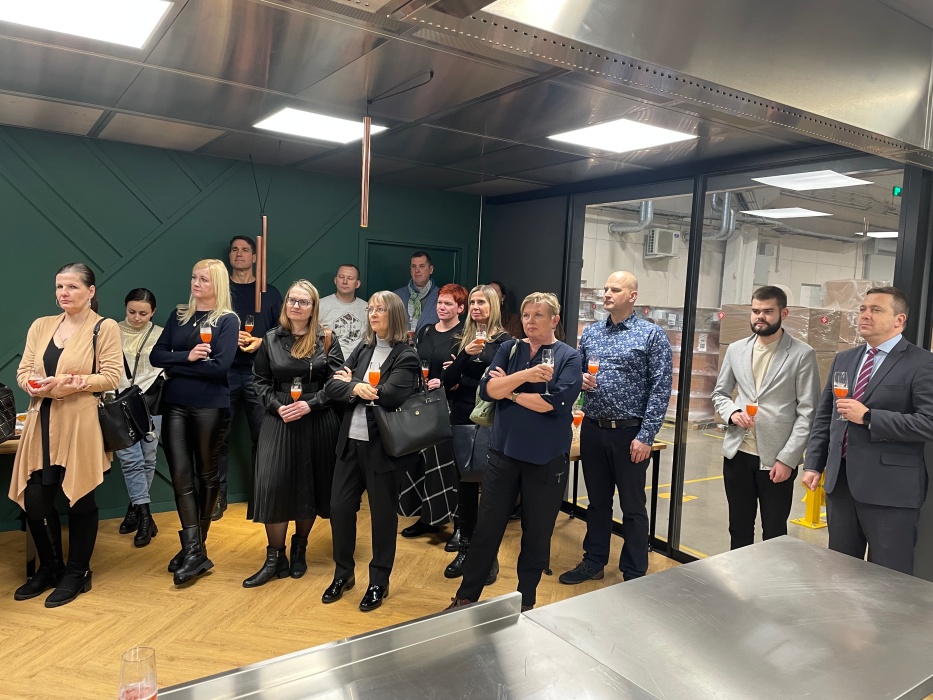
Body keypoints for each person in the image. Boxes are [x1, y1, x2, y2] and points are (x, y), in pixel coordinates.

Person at [448, 292, 582, 612]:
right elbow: (487, 390)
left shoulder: (569, 357)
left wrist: (509, 391)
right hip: (503, 455)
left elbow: (552, 404)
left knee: (536, 536)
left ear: (554, 320)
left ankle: (526, 603)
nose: (530, 321)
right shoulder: (509, 349)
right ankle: (466, 597)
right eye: (525, 315)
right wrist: (525, 377)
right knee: (486, 530)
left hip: (545, 461)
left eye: (538, 315)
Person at [10, 263, 121, 607]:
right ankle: (50, 567)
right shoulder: (41, 325)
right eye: (59, 286)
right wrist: (33, 385)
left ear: (90, 291)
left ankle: (77, 572)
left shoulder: (104, 327)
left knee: (80, 498)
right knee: (36, 500)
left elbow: (111, 377)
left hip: (80, 423)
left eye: (72, 286)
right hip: (41, 422)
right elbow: (23, 371)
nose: (63, 293)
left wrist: (72, 383)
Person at [803, 286, 933, 575]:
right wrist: (813, 463)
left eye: (876, 310)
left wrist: (870, 417)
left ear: (899, 320)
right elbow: (825, 416)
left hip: (891, 492)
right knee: (841, 573)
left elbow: (928, 423)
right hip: (841, 486)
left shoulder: (922, 363)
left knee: (889, 577)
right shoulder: (845, 359)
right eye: (862, 309)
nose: (865, 315)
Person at [559, 271, 672, 585]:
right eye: (606, 289)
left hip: (629, 433)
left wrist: (646, 436)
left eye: (615, 289)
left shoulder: (651, 335)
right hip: (594, 428)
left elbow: (660, 389)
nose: (607, 294)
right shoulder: (592, 332)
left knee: (632, 507)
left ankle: (634, 572)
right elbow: (577, 371)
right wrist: (580, 379)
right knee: (597, 503)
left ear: (633, 296)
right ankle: (593, 561)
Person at [323, 291, 420, 612]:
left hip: (383, 449)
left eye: (381, 309)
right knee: (339, 508)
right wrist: (356, 386)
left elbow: (391, 395)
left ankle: (379, 581)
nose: (373, 314)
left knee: (382, 517)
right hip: (349, 443)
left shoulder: (406, 355)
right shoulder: (363, 348)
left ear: (395, 315)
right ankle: (343, 574)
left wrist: (354, 384)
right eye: (372, 309)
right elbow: (332, 386)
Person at [243, 280, 344, 587]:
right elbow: (259, 381)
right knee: (273, 485)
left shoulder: (327, 338)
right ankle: (275, 559)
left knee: (308, 486)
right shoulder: (271, 338)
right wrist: (277, 406)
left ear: (314, 308)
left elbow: (337, 382)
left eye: (303, 302)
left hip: (317, 418)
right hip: (279, 417)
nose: (296, 306)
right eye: (292, 300)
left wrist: (310, 405)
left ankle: (300, 549)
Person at [150, 259, 239, 586]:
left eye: (203, 279)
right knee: (180, 477)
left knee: (206, 474)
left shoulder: (227, 320)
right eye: (193, 277)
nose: (196, 283)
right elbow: (156, 356)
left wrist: (176, 367)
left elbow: (219, 367)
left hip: (210, 406)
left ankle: (195, 548)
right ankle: (194, 550)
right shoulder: (179, 316)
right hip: (174, 404)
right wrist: (186, 357)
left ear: (217, 284)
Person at [711, 286, 820, 549]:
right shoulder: (736, 350)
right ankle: (740, 575)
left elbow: (808, 412)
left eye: (768, 311)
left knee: (774, 531)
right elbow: (720, 393)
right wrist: (732, 413)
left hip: (776, 460)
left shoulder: (802, 354)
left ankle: (769, 577)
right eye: (756, 311)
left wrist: (788, 459)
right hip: (738, 454)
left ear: (784, 313)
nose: (760, 316)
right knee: (738, 527)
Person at [442, 285, 512, 580]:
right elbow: (446, 380)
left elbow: (500, 381)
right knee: (465, 489)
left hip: (491, 421)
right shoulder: (462, 339)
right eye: (472, 302)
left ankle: (488, 557)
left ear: (493, 306)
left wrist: (472, 372)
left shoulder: (506, 343)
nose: (476, 307)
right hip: (461, 417)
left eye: (482, 302)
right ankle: (465, 549)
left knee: (491, 493)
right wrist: (463, 357)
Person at [216, 235, 283, 520]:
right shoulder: (219, 291)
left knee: (263, 439)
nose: (239, 254)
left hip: (259, 375)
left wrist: (261, 343)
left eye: (245, 250)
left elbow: (283, 333)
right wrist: (229, 339)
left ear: (255, 257)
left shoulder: (270, 293)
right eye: (234, 249)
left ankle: (260, 497)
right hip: (225, 373)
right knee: (219, 437)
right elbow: (207, 327)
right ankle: (217, 496)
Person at [399, 284, 467, 540]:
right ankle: (428, 519)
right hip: (422, 403)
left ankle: (460, 525)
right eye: (440, 303)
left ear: (460, 308)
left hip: (449, 405)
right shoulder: (426, 330)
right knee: (423, 463)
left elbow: (465, 372)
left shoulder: (464, 335)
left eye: (448, 304)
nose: (442, 307)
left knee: (448, 466)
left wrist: (452, 378)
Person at [115, 288, 165, 548]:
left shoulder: (161, 335)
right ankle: (146, 517)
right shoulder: (111, 331)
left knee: (147, 458)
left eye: (143, 313)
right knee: (130, 460)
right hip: (118, 403)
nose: (136, 318)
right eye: (131, 312)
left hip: (151, 402)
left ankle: (134, 509)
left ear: (153, 312)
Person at [319, 264, 368, 357]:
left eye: (350, 278)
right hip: (329, 362)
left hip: (359, 362)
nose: (345, 282)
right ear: (335, 280)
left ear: (357, 284)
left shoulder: (367, 308)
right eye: (341, 277)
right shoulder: (320, 306)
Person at [394, 251, 439, 333]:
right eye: (413, 266)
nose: (417, 270)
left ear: (431, 269)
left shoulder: (441, 296)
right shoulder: (396, 296)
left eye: (422, 266)